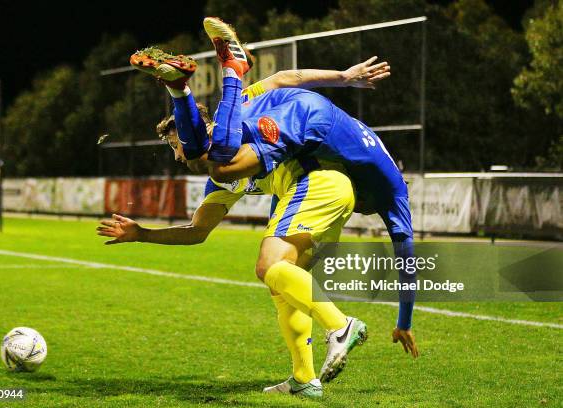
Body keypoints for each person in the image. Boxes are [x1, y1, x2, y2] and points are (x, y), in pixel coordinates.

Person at [130, 16, 418, 360]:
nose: (177, 158)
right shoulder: (242, 113)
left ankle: (223, 72)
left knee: (220, 166)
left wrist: (405, 319)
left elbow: (408, 261)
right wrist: (343, 77)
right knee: (282, 280)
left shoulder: (391, 193)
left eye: (174, 146)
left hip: (307, 120)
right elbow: (285, 78)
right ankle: (304, 376)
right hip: (307, 129)